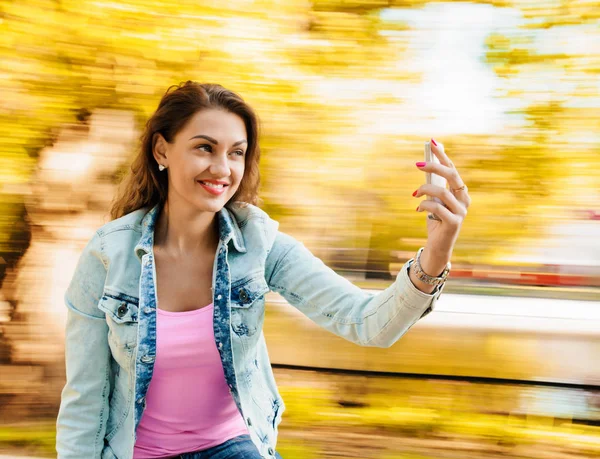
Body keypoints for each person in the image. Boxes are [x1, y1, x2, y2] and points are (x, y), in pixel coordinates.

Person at [56, 81, 470, 459]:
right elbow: (85, 397)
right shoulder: (108, 254)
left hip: (231, 448)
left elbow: (368, 323)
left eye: (236, 152)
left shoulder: (260, 242)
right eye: (205, 147)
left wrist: (437, 250)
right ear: (162, 150)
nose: (222, 168)